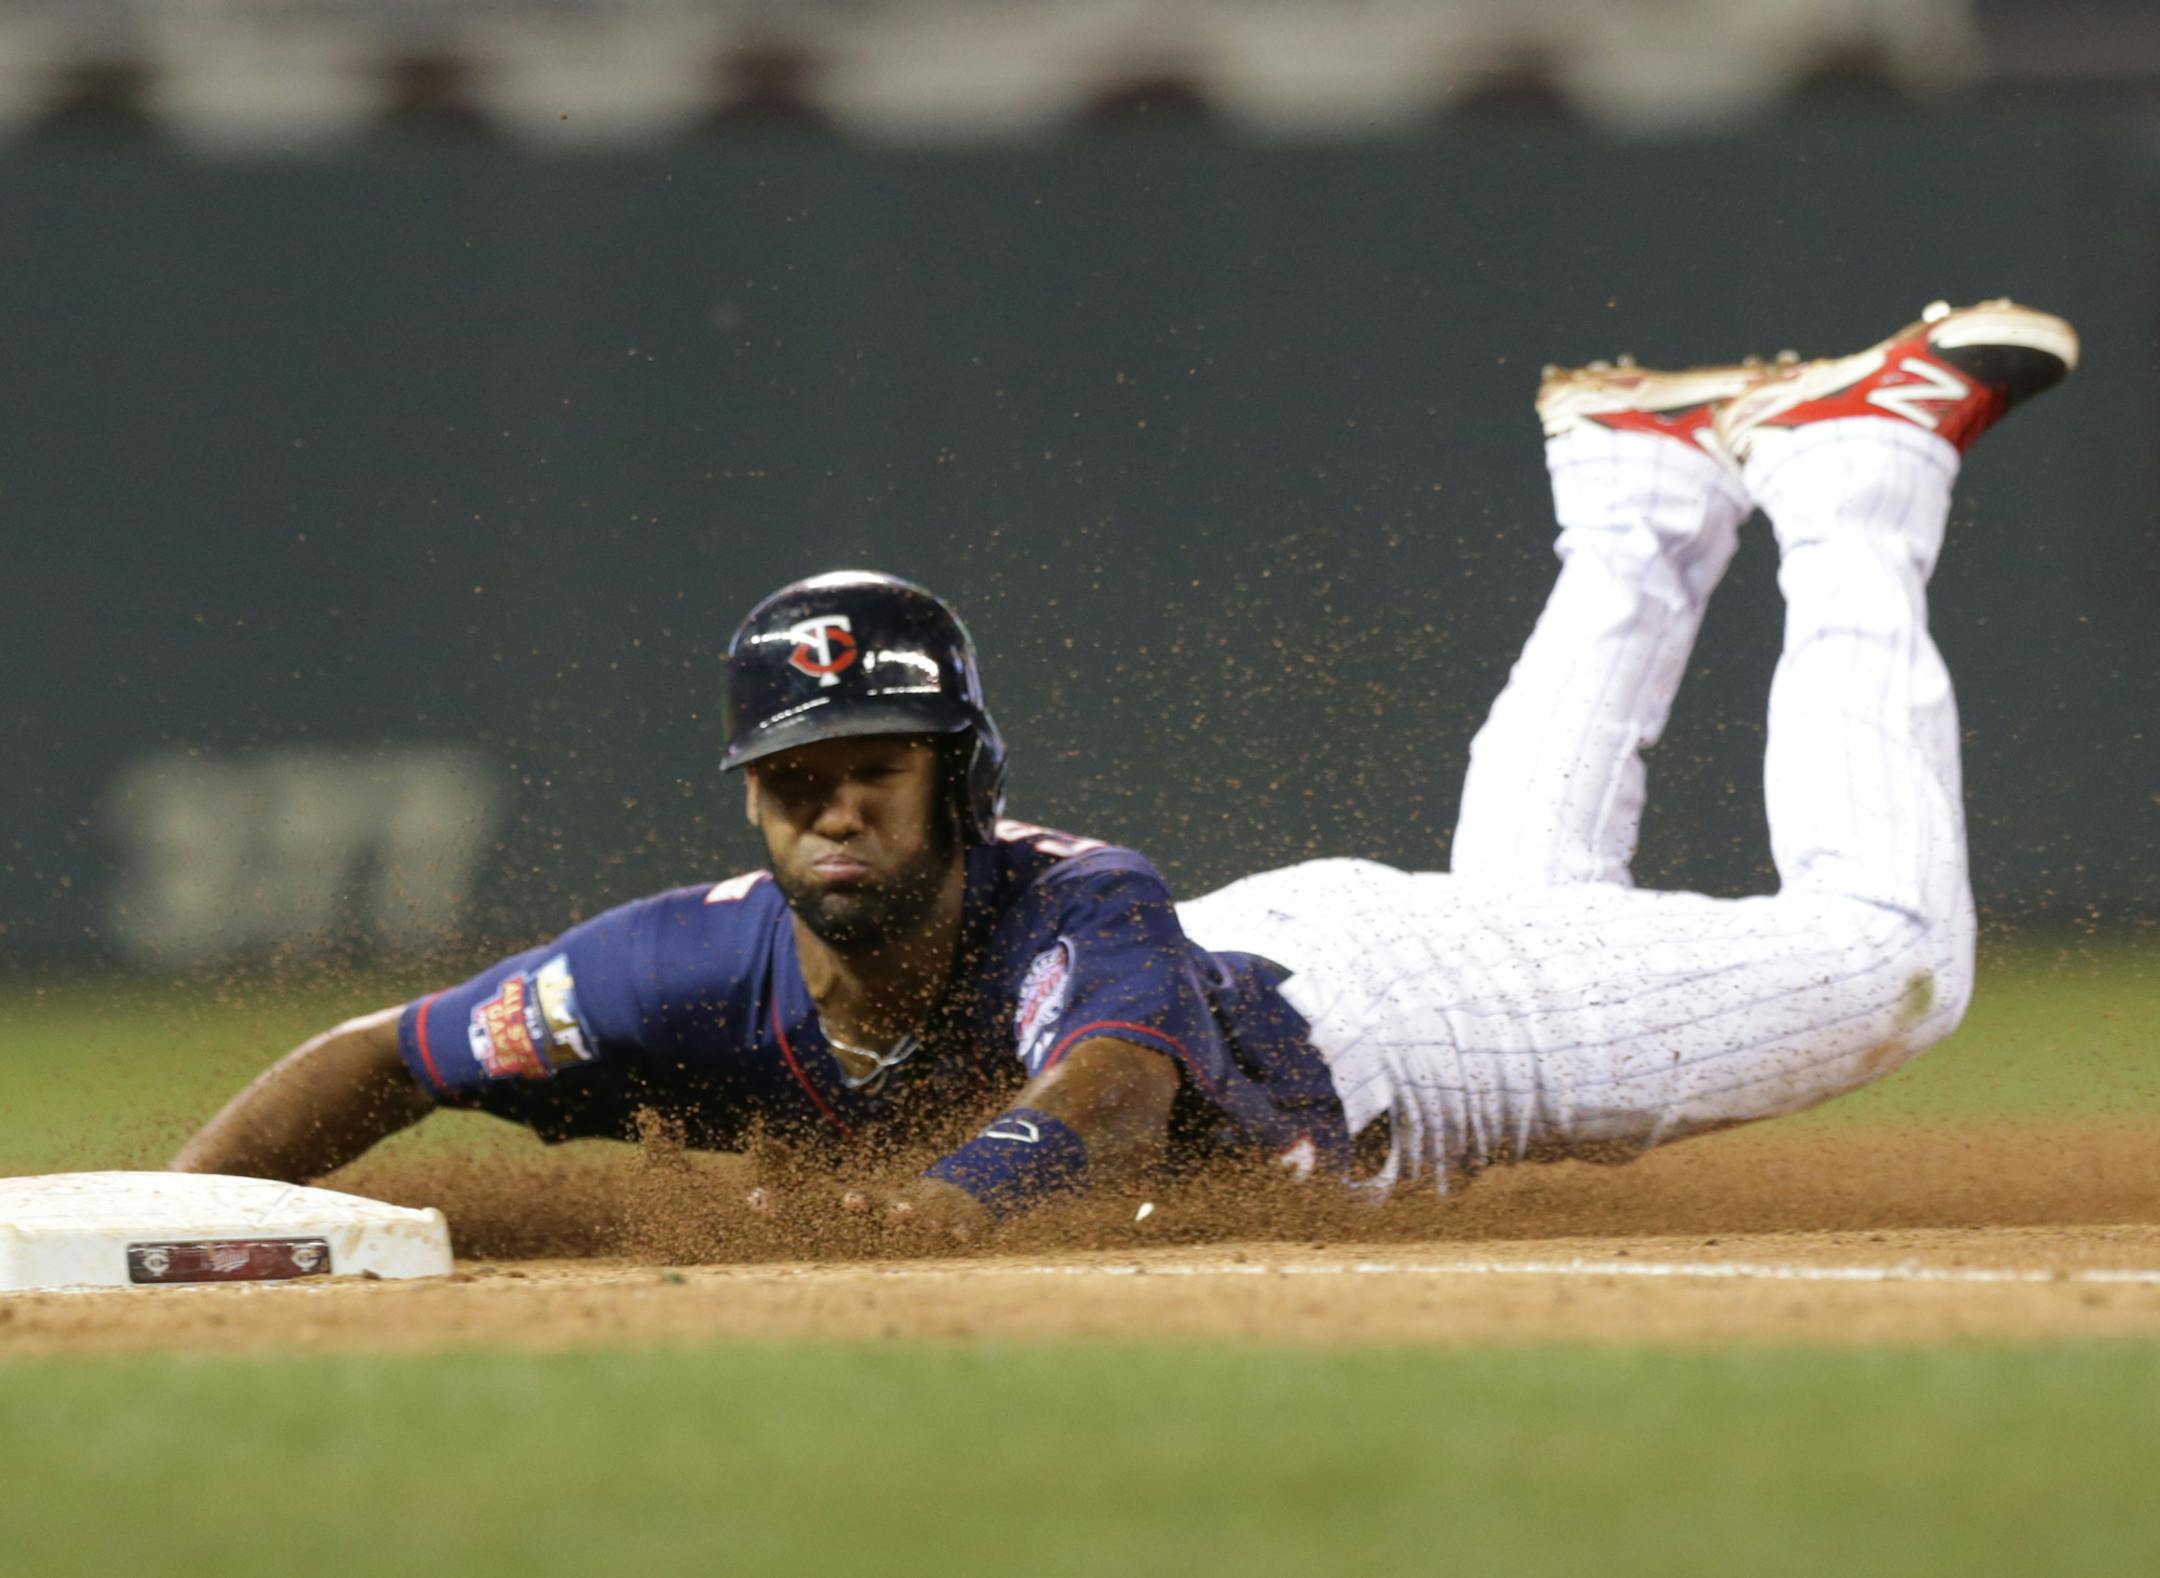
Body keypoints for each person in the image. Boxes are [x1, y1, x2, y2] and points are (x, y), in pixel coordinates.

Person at [174, 297, 2078, 1241]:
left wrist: (920, 1222)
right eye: (798, 766)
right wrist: (156, 1214)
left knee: (1891, 956)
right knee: (1563, 909)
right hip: (1319, 974)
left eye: (881, 763)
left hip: (1404, 1032)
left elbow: (1100, 1097)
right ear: (752, 792)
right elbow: (381, 1058)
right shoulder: (673, 962)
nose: (837, 799)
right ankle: (1644, 488)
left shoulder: (1079, 896)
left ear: (960, 774)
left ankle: (1854, 464)